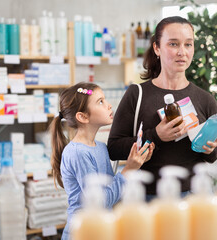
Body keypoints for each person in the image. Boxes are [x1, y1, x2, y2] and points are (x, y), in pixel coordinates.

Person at [107, 16, 217, 201]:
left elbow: (214, 155)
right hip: (149, 198)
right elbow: (114, 148)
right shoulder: (137, 94)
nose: (182, 52)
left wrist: (210, 148)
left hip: (196, 196)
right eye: (174, 44)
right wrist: (156, 136)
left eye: (188, 44)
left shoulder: (205, 98)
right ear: (157, 48)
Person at [50, 82, 155, 240]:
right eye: (100, 101)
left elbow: (113, 190)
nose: (109, 105)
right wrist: (128, 170)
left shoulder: (100, 147)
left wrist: (138, 162)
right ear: (83, 116)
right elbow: (100, 201)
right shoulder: (77, 153)